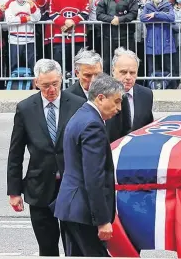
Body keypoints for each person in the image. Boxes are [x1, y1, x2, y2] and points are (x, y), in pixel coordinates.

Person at [6, 59, 86, 256]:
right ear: (36, 83)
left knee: (75, 247)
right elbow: (16, 152)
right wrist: (14, 191)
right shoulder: (26, 108)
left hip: (72, 188)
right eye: (45, 85)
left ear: (61, 80)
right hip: (40, 188)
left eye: (55, 84)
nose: (51, 90)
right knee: (47, 248)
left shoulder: (78, 105)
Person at [54, 73, 124, 256]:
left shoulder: (81, 115)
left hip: (71, 208)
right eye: (116, 101)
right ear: (101, 98)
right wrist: (102, 220)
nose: (119, 108)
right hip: (84, 212)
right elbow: (94, 177)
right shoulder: (93, 125)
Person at [107, 47, 154, 142]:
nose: (128, 77)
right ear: (113, 71)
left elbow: (148, 127)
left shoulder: (146, 95)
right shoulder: (103, 95)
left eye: (132, 73)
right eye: (123, 72)